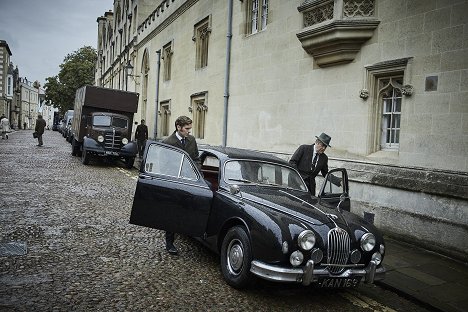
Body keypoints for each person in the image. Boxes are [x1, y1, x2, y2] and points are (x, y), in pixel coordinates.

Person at [162, 116, 200, 255]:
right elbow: (163, 165)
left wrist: (198, 176)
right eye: (187, 129)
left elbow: (196, 159)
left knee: (186, 210)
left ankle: (188, 234)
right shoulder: (168, 142)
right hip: (173, 183)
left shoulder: (192, 140)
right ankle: (169, 242)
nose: (189, 132)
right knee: (172, 212)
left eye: (190, 129)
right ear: (178, 127)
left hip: (189, 181)